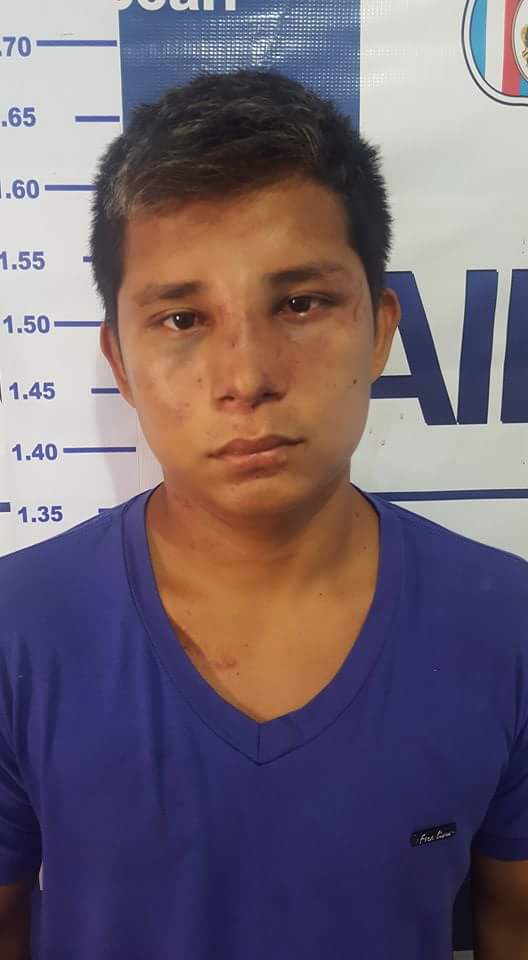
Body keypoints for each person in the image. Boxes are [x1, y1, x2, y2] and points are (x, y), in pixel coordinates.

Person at [0, 69, 527, 960]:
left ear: (379, 329)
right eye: (182, 319)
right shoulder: (19, 628)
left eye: (300, 303)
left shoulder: (506, 625)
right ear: (119, 362)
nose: (247, 377)